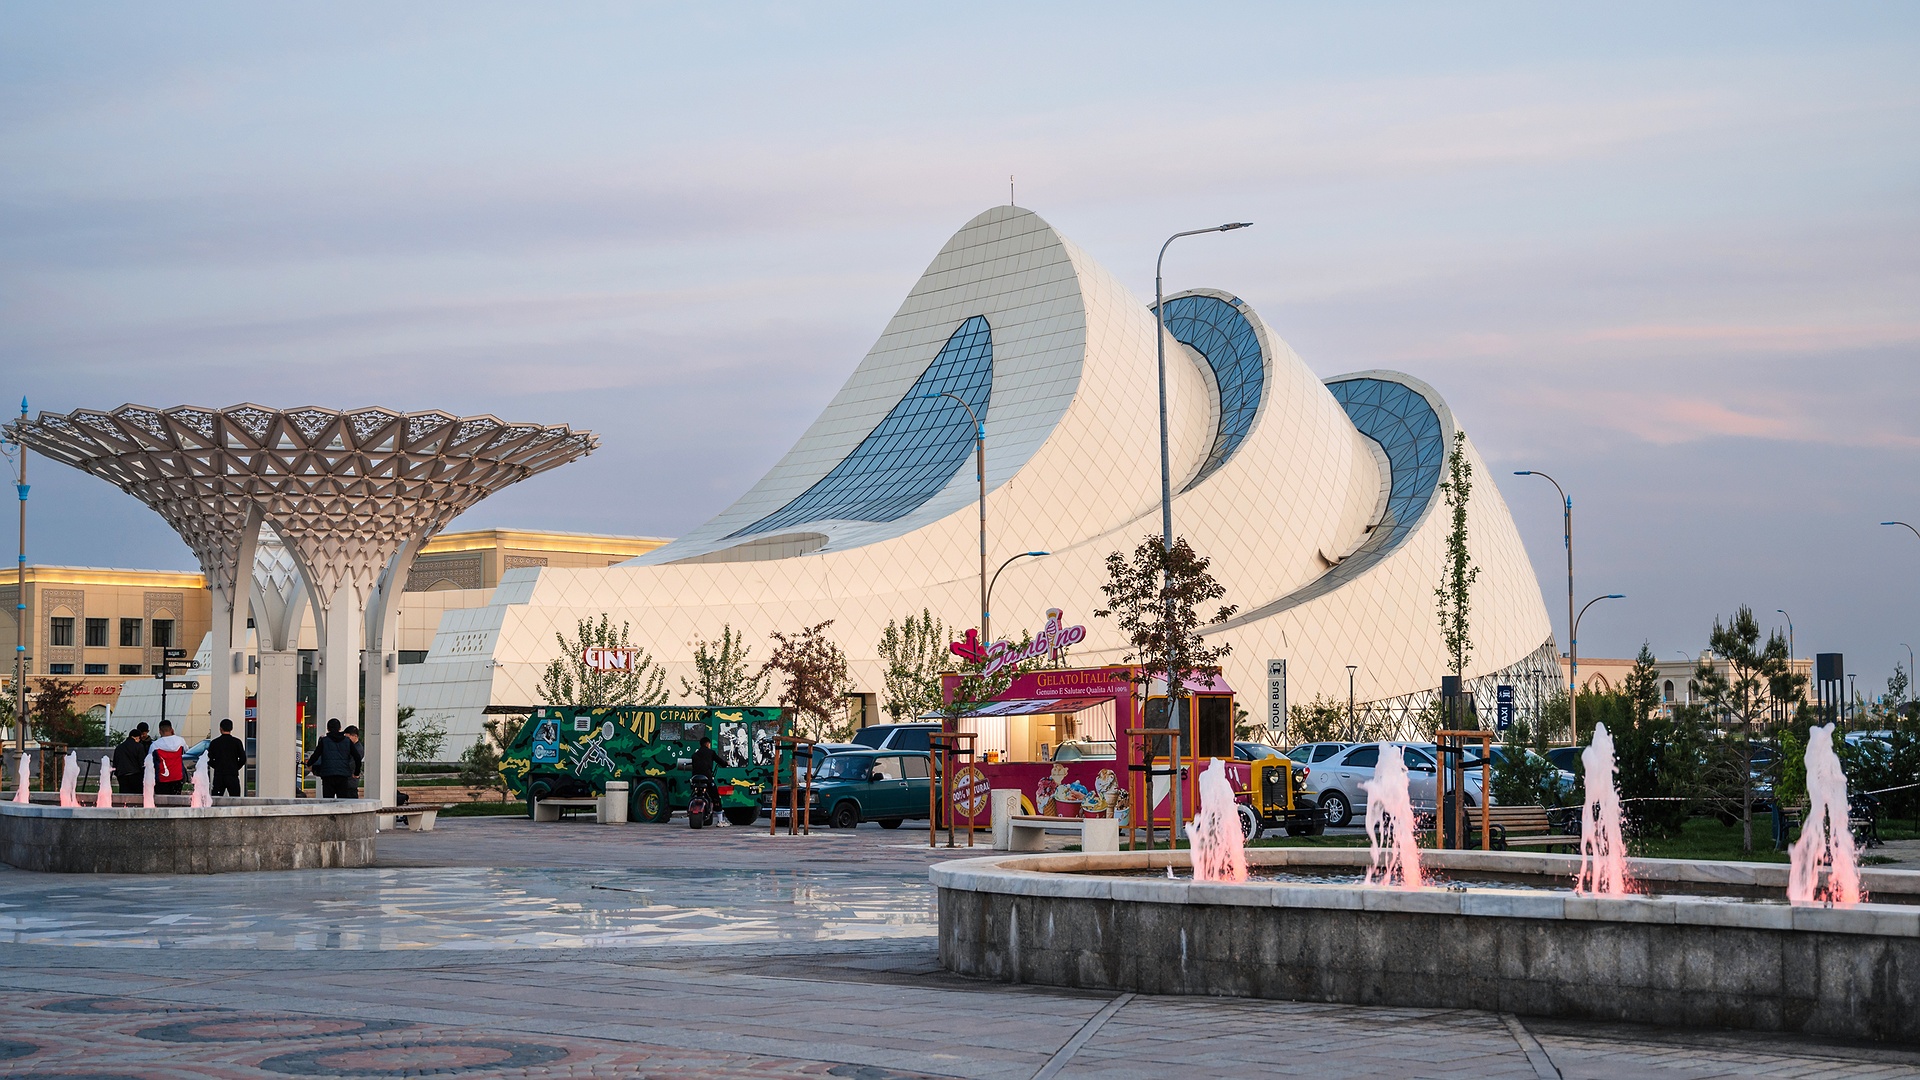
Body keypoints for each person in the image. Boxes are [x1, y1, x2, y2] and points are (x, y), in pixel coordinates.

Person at [307, 718, 362, 799]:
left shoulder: (324, 741)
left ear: (328, 729)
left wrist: (309, 764)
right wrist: (356, 773)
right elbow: (357, 757)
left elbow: (315, 755)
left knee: (328, 801)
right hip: (343, 776)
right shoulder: (347, 741)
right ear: (340, 728)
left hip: (328, 775)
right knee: (342, 801)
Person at [208, 718, 247, 798]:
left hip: (219, 775)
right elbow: (243, 759)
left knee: (216, 799)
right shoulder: (237, 742)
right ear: (231, 728)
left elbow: (209, 759)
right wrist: (235, 767)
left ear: (220, 728)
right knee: (235, 799)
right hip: (232, 775)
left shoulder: (215, 743)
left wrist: (217, 766)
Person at [147, 720, 187, 796]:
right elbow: (186, 751)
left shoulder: (155, 745)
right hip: (178, 776)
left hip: (162, 778)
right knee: (176, 798)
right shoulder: (181, 741)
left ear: (160, 731)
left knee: (161, 800)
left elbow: (149, 760)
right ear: (171, 729)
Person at [112, 723, 150, 796]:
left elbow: (115, 763)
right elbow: (142, 762)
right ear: (137, 737)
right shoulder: (139, 746)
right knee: (136, 797)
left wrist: (118, 774)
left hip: (122, 776)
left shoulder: (119, 747)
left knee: (124, 796)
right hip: (136, 775)